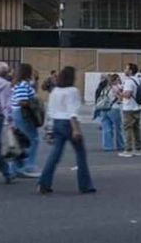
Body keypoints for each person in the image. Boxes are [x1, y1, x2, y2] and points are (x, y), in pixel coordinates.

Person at [37, 66, 96, 194]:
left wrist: (49, 127)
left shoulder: (55, 91)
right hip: (68, 123)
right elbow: (72, 112)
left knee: (55, 154)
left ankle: (44, 182)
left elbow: (51, 110)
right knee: (80, 153)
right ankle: (85, 184)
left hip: (57, 122)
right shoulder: (73, 91)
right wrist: (76, 129)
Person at [11, 63, 42, 175]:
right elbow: (21, 101)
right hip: (22, 113)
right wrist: (33, 103)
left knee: (22, 140)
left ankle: (16, 166)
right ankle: (28, 165)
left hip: (16, 113)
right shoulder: (23, 84)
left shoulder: (17, 83)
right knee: (34, 139)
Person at [119, 63, 141, 158]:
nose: (125, 70)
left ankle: (128, 150)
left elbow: (128, 95)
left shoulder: (129, 81)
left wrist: (120, 93)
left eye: (126, 69)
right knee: (136, 129)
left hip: (128, 108)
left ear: (130, 71)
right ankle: (138, 149)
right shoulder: (138, 79)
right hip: (137, 107)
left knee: (127, 129)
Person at [93, 73, 120, 151]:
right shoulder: (116, 88)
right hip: (114, 108)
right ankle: (120, 145)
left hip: (104, 109)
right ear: (115, 80)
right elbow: (119, 99)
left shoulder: (104, 89)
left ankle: (107, 146)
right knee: (118, 128)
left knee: (106, 128)